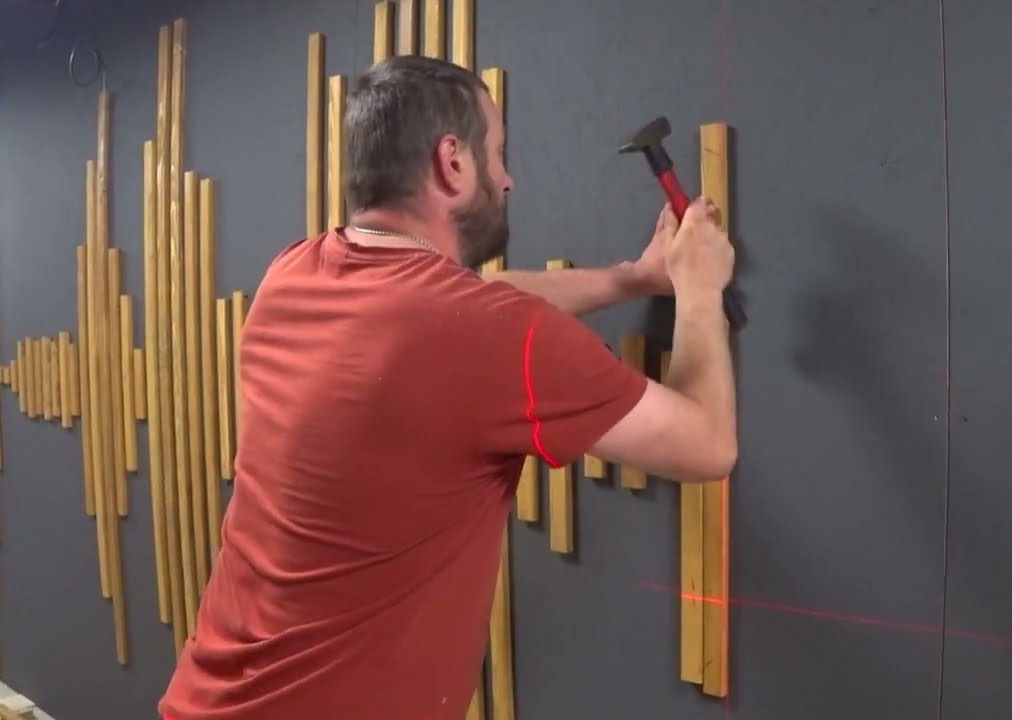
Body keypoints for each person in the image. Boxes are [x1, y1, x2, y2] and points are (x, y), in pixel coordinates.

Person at [158, 55, 737, 720]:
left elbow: (474, 298)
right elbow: (709, 445)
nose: (509, 179)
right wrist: (699, 288)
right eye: (499, 154)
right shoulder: (492, 337)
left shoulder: (293, 274)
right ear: (452, 162)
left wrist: (631, 279)